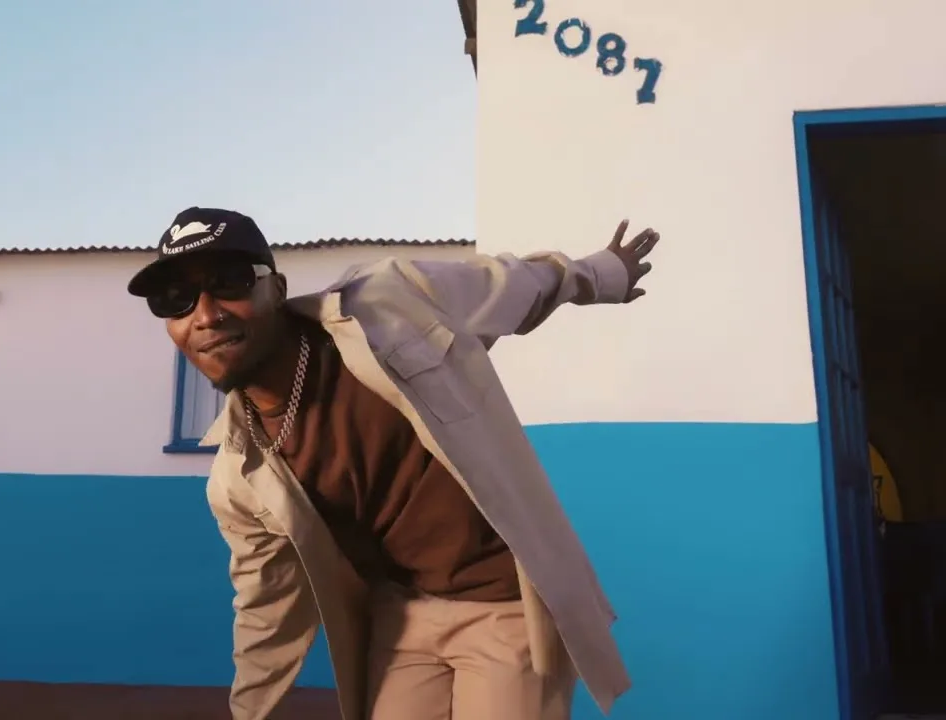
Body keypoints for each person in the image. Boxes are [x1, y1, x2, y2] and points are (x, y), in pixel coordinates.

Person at [128, 208, 660, 720]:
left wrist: (602, 274)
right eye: (175, 300)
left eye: (230, 281)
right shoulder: (237, 478)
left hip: (506, 605)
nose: (206, 315)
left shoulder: (387, 302)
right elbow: (265, 603)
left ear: (278, 288)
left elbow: (510, 284)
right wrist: (249, 712)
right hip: (401, 618)